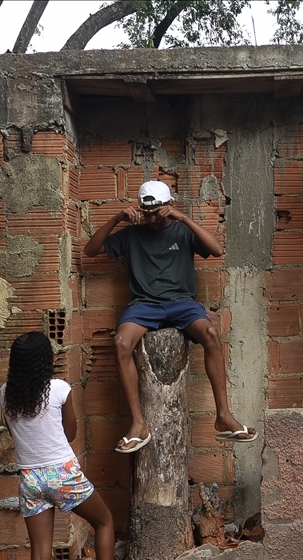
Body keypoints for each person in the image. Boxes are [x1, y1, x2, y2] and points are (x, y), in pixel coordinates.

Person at [83, 180, 257, 452]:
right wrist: (116, 219)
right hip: (144, 304)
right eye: (146, 213)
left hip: (181, 304)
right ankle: (138, 425)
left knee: (211, 333)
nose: (152, 219)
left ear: (169, 206)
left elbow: (217, 250)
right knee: (120, 342)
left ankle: (223, 416)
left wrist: (183, 218)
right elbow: (90, 250)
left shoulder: (182, 230)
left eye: (157, 212)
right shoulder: (132, 234)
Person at [0, 331, 124, 560]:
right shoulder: (58, 389)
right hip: (62, 474)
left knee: (40, 557)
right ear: (46, 361)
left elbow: (14, 433)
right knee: (104, 522)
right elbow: (70, 433)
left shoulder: (6, 395)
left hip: (30, 479)